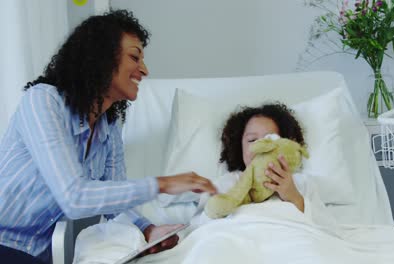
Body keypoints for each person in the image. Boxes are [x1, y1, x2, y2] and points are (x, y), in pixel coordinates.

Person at [0, 10, 216, 264]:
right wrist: (163, 183)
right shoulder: (43, 101)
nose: (144, 70)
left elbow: (114, 201)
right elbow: (74, 197)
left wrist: (148, 229)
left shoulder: (108, 125)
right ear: (100, 58)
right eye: (134, 57)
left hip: (35, 252)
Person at [190, 103, 337, 230]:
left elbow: (323, 225)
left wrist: (294, 197)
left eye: (270, 139)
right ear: (238, 147)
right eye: (252, 140)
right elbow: (201, 225)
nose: (260, 146)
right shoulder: (225, 183)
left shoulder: (300, 183)